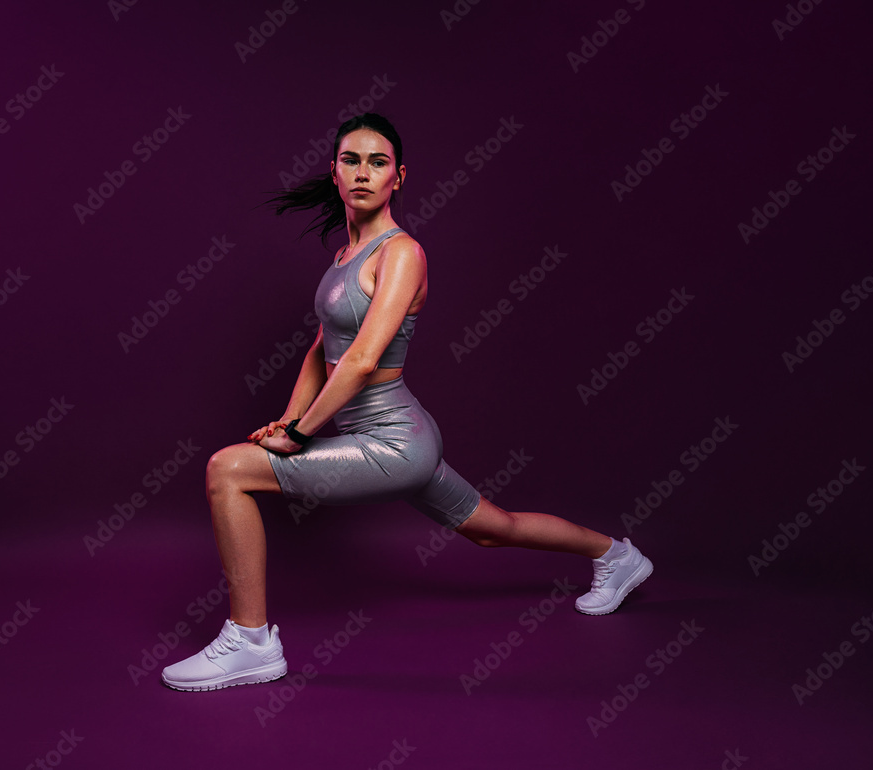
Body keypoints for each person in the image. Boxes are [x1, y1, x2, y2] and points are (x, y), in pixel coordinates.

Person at [160, 113, 653, 692]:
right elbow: (323, 351)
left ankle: (250, 642)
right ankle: (618, 556)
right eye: (351, 160)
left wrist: (299, 436)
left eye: (378, 162)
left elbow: (364, 362)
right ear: (335, 172)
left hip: (396, 443)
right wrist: (290, 421)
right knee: (495, 528)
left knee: (228, 470)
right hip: (396, 434)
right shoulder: (345, 257)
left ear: (399, 177)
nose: (363, 173)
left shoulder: (403, 255)